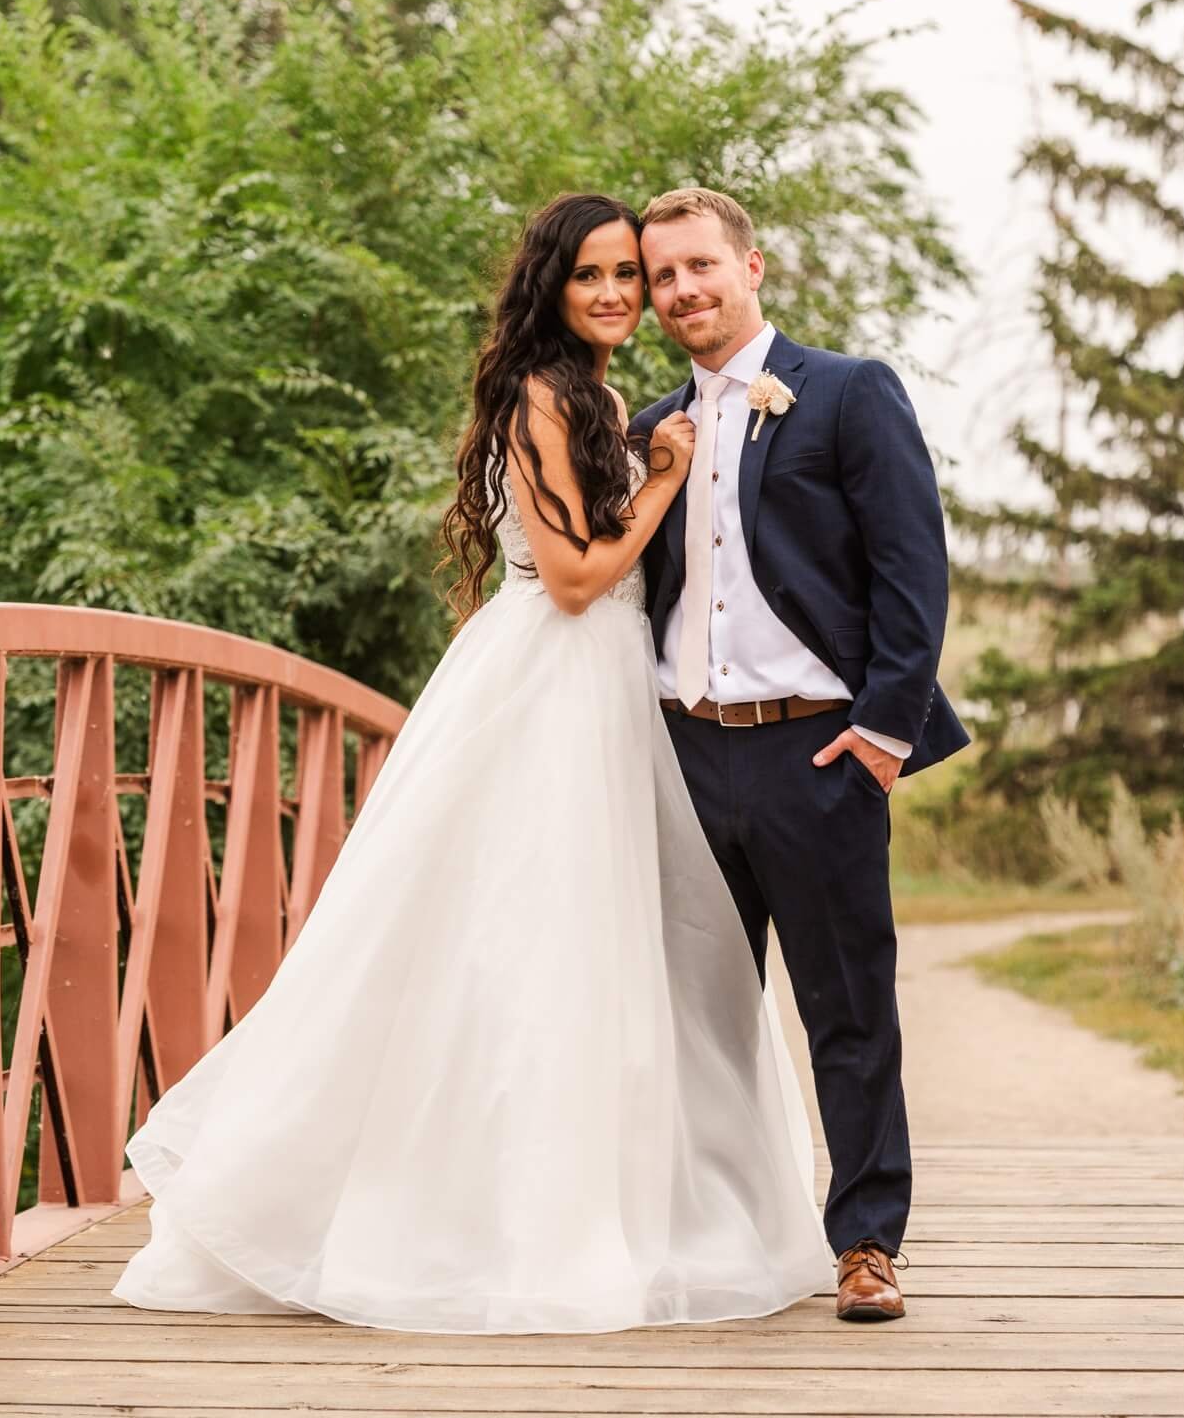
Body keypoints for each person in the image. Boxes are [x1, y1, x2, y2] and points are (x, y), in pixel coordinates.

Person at [112, 192, 836, 1334]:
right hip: (546, 676)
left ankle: (582, 1203)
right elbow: (573, 578)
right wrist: (659, 477)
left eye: (625, 278)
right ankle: (467, 1219)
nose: (613, 295)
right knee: (512, 938)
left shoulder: (598, 394)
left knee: (588, 950)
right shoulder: (549, 395)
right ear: (549, 288)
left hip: (604, 689)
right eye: (589, 276)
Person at [627, 187, 970, 1322]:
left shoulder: (845, 392)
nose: (680, 290)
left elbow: (911, 572)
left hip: (815, 755)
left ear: (750, 265)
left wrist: (877, 734)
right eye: (660, 275)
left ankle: (866, 1242)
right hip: (683, 754)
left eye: (697, 266)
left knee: (845, 1007)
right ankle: (713, 1231)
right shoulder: (646, 428)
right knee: (693, 1015)